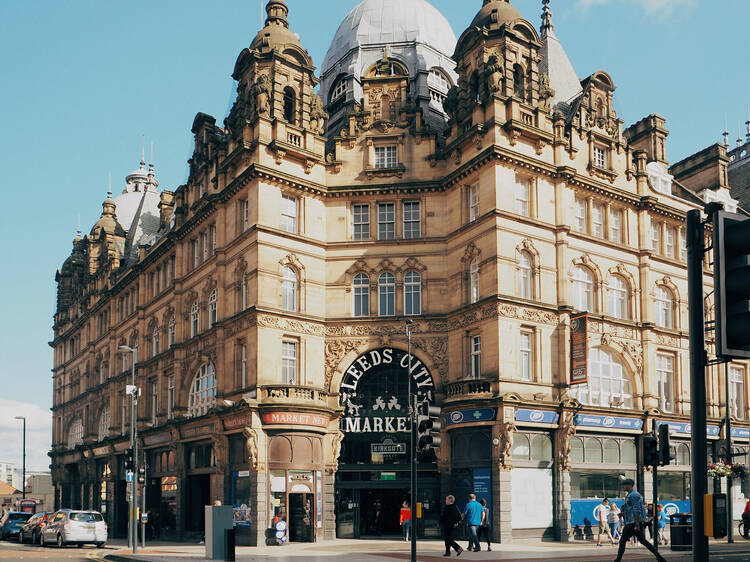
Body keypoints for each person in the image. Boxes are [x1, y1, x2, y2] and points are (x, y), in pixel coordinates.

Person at [614, 479, 667, 562]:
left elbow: (637, 510)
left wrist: (637, 524)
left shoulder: (633, 495)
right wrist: (623, 514)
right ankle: (659, 557)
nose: (623, 487)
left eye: (624, 485)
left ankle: (618, 560)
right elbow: (632, 509)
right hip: (633, 521)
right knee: (643, 541)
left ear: (629, 485)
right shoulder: (631, 495)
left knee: (622, 541)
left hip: (633, 522)